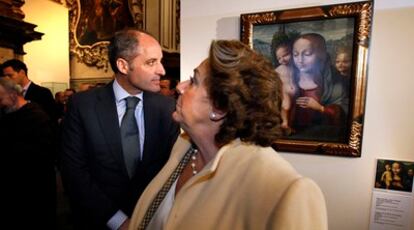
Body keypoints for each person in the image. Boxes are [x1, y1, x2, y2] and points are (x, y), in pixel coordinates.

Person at [128, 40, 327, 230]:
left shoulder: (286, 191)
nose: (180, 87)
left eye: (194, 81)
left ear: (220, 108)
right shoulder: (184, 146)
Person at [61, 28, 180, 230]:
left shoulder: (167, 108)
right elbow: (74, 172)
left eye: (160, 61)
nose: (161, 70)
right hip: (97, 221)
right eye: (151, 62)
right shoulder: (83, 105)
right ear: (123, 65)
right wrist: (118, 222)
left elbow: (173, 170)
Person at [0, 77, 56, 229]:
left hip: (34, 186)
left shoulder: (36, 116)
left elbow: (43, 152)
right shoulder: (7, 114)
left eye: (1, 99)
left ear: (12, 96)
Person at [291, 33, 349, 141]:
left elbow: (344, 114)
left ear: (321, 55)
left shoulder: (335, 82)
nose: (300, 60)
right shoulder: (288, 79)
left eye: (307, 54)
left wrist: (321, 108)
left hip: (322, 138)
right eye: (295, 54)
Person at [274, 41, 296, 133]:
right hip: (284, 91)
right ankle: (285, 123)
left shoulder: (295, 67)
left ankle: (289, 125)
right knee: (286, 106)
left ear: (292, 53)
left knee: (293, 109)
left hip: (294, 92)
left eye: (285, 55)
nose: (282, 59)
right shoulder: (278, 70)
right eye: (279, 58)